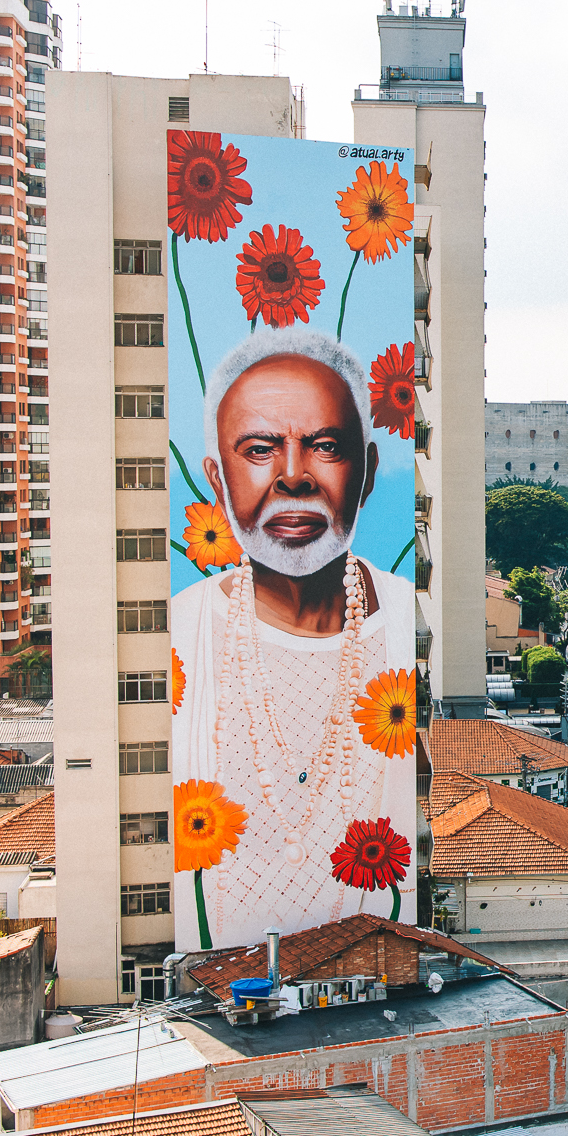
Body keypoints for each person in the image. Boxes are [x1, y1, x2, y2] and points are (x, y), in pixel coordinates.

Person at [172, 330, 422, 949]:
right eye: (259, 449)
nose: (292, 477)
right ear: (215, 477)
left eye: (325, 447)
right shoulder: (182, 629)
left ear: (364, 475)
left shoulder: (406, 619)